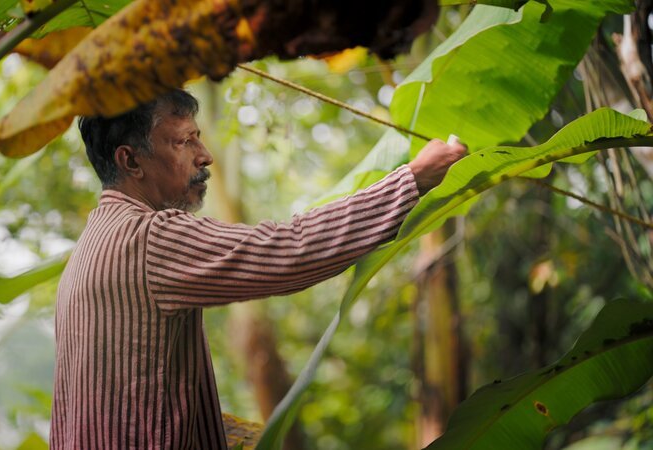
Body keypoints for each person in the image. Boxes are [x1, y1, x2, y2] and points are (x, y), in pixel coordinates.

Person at [50, 89, 466, 449]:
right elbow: (289, 250)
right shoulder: (148, 238)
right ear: (131, 160)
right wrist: (411, 181)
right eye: (184, 141)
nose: (205, 155)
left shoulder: (89, 249)